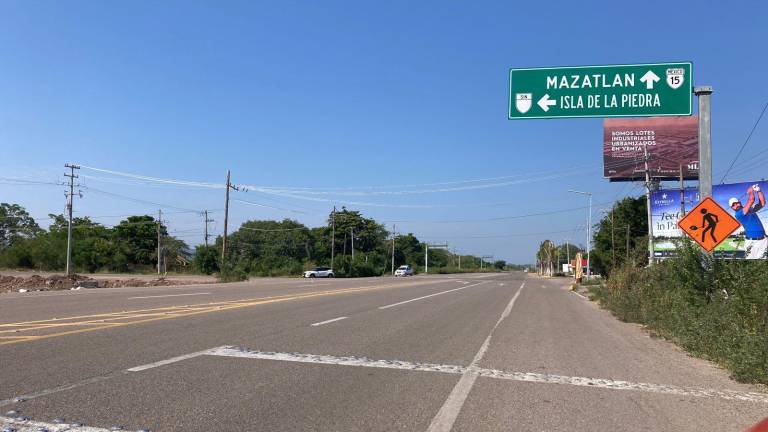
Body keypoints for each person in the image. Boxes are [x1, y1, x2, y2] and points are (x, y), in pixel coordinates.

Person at [729, 183, 766, 259]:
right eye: (733, 205)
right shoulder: (738, 214)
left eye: (737, 203)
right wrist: (751, 191)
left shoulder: (750, 209)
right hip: (751, 243)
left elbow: (762, 203)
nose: (736, 205)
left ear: (740, 202)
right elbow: (751, 200)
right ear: (732, 208)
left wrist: (759, 191)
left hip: (763, 241)